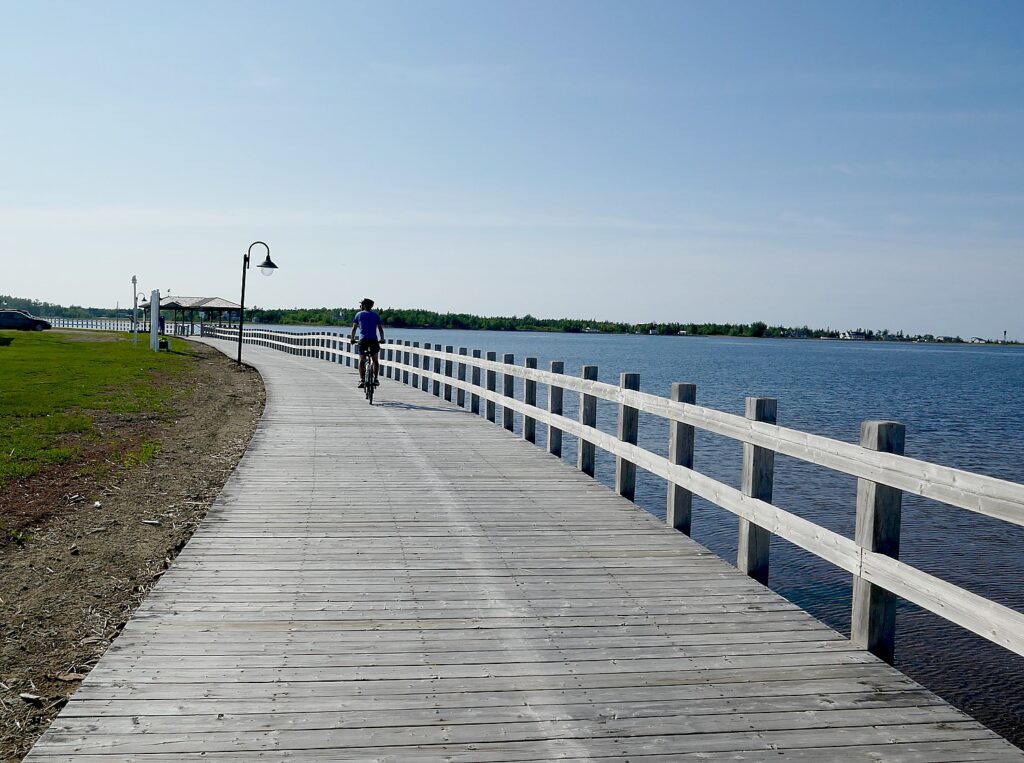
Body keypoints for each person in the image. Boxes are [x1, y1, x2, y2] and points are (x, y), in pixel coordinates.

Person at [350, 298, 385, 388]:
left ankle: (362, 380)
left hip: (363, 340)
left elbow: (354, 328)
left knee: (362, 360)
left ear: (364, 305)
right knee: (375, 361)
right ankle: (376, 379)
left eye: (361, 304)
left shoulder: (358, 314)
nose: (360, 306)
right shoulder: (375, 315)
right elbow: (380, 329)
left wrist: (352, 339)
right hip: (373, 340)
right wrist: (382, 339)